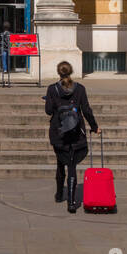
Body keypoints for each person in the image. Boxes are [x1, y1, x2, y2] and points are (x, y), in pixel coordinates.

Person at [44, 60, 100, 213]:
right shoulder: (80, 89)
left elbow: (48, 111)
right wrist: (95, 127)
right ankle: (72, 201)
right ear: (71, 72)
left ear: (58, 72)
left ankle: (59, 194)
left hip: (58, 132)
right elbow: (87, 110)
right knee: (72, 165)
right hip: (76, 132)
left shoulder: (52, 89)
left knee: (60, 162)